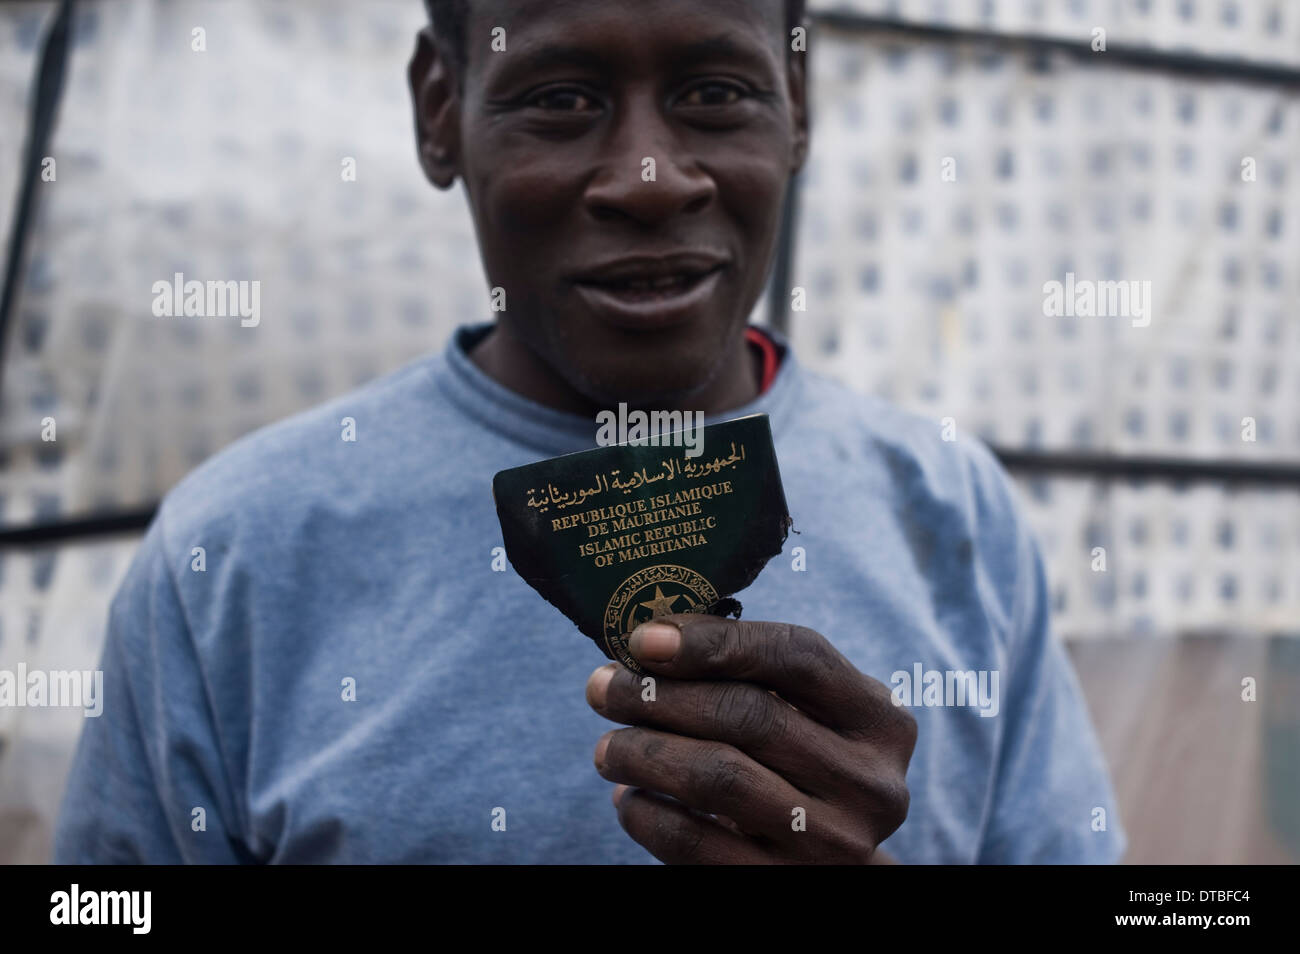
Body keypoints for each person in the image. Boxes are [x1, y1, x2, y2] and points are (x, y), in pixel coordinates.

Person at [54, 0, 1125, 864]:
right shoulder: (235, 552)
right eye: (561, 99)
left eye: (715, 93)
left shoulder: (951, 509)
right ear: (441, 108)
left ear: (795, 103)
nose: (650, 179)